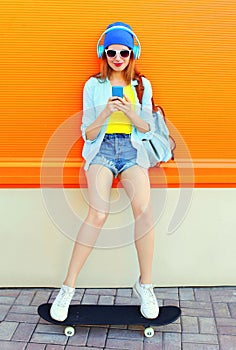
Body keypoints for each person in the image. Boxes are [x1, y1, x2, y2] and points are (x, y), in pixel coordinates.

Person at [50, 21, 159, 322]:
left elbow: (148, 128)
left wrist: (129, 112)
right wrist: (106, 112)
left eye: (124, 52)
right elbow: (88, 133)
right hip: (102, 150)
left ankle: (145, 285)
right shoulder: (92, 86)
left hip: (132, 150)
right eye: (112, 52)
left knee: (145, 212)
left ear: (132, 53)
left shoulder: (141, 85)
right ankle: (67, 289)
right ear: (104, 53)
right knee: (98, 213)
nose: (118, 58)